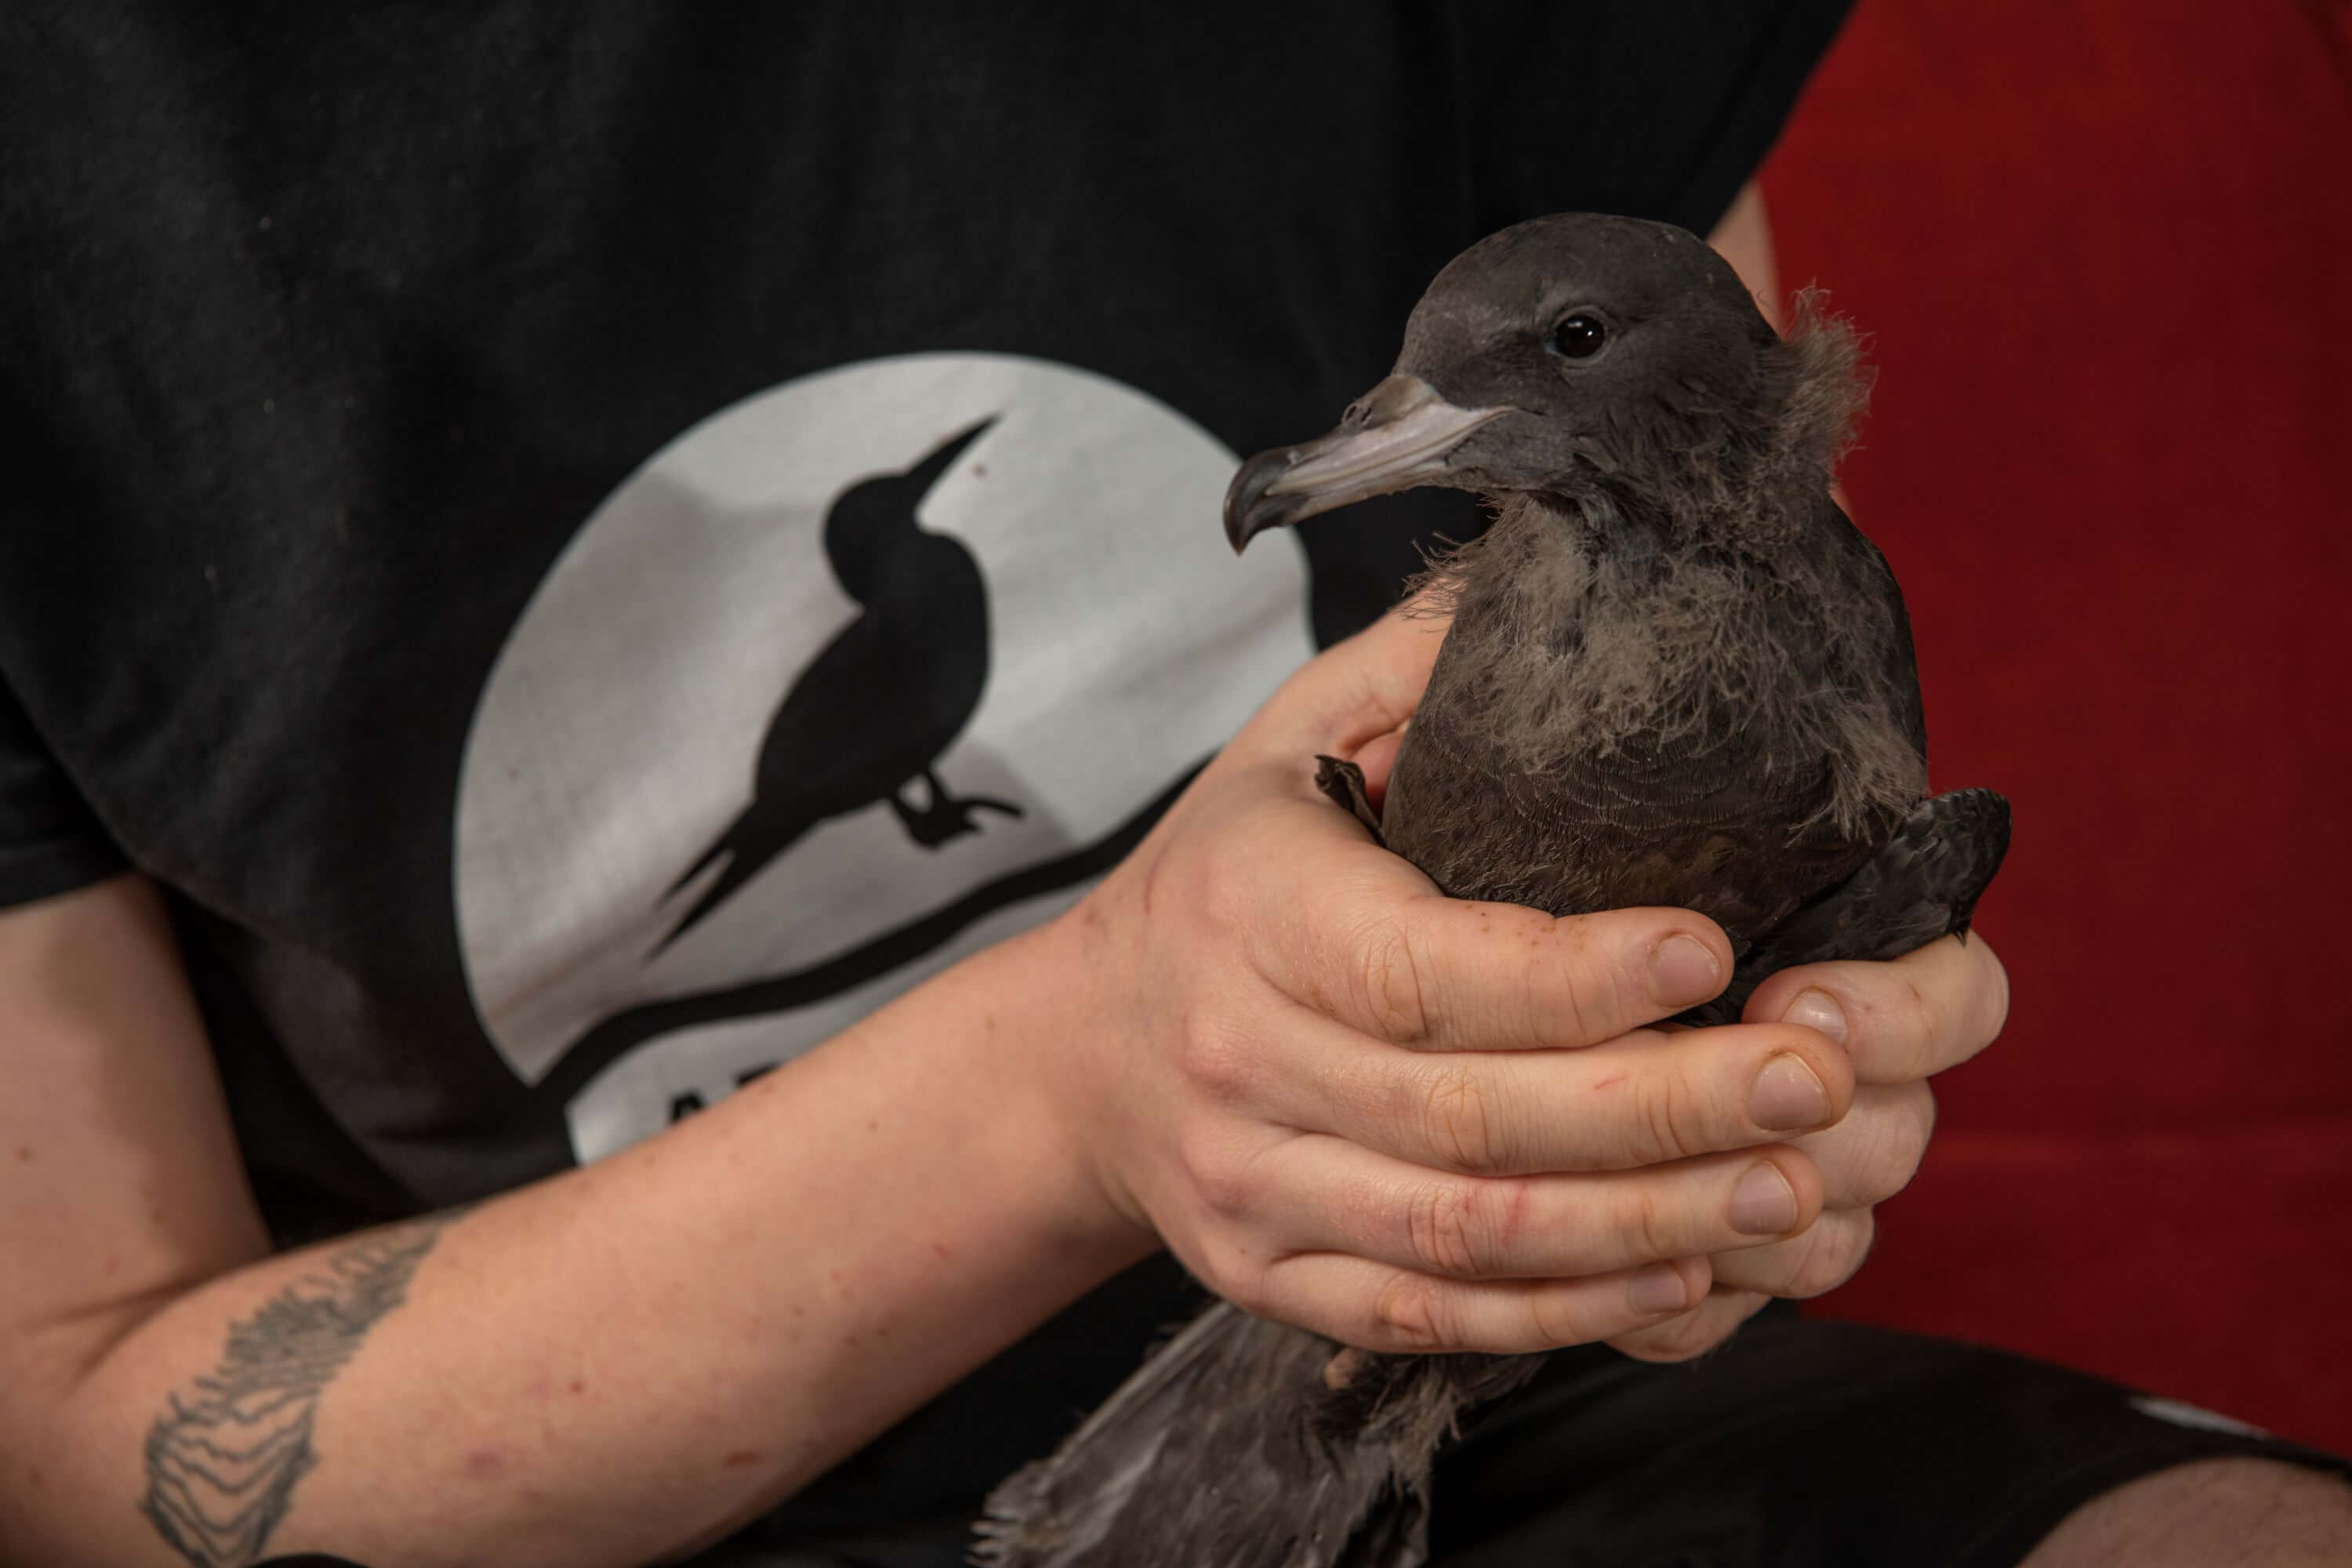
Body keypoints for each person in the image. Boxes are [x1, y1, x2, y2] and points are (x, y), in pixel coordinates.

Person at [1, 6, 2344, 1567]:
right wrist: (1087, 1078)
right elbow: (60, 1438)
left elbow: (1699, 516)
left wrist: (1672, 1120)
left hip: (1500, 1405)